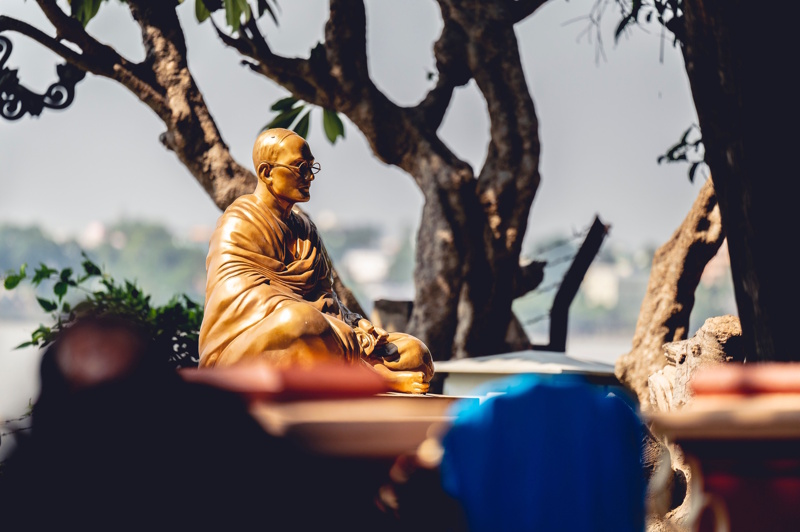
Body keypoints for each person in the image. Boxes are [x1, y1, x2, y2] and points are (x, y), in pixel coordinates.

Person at [198, 128, 434, 393]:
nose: (309, 177)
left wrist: (356, 323)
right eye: (300, 167)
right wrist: (334, 326)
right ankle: (376, 378)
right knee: (300, 321)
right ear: (266, 173)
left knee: (415, 354)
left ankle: (361, 368)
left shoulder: (305, 230)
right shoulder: (238, 222)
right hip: (246, 349)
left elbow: (326, 297)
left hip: (324, 336)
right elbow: (245, 299)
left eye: (312, 167)